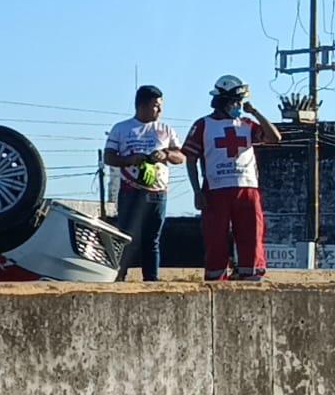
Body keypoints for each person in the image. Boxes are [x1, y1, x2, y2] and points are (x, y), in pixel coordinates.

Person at [183, 75, 282, 281]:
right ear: (223, 101)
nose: (238, 106)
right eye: (235, 102)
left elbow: (274, 137)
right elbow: (190, 159)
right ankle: (216, 278)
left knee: (252, 236)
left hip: (247, 188)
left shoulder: (247, 124)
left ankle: (252, 275)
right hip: (216, 189)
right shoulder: (203, 125)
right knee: (215, 238)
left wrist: (255, 112)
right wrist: (196, 191)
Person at [104, 85, 184, 281]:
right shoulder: (121, 129)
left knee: (152, 239)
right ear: (142, 105)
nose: (159, 110)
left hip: (158, 192)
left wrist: (165, 154)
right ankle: (119, 276)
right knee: (126, 237)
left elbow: (180, 156)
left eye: (161, 106)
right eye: (155, 106)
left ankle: (151, 279)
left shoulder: (166, 130)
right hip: (131, 191)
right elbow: (109, 157)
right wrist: (130, 160)